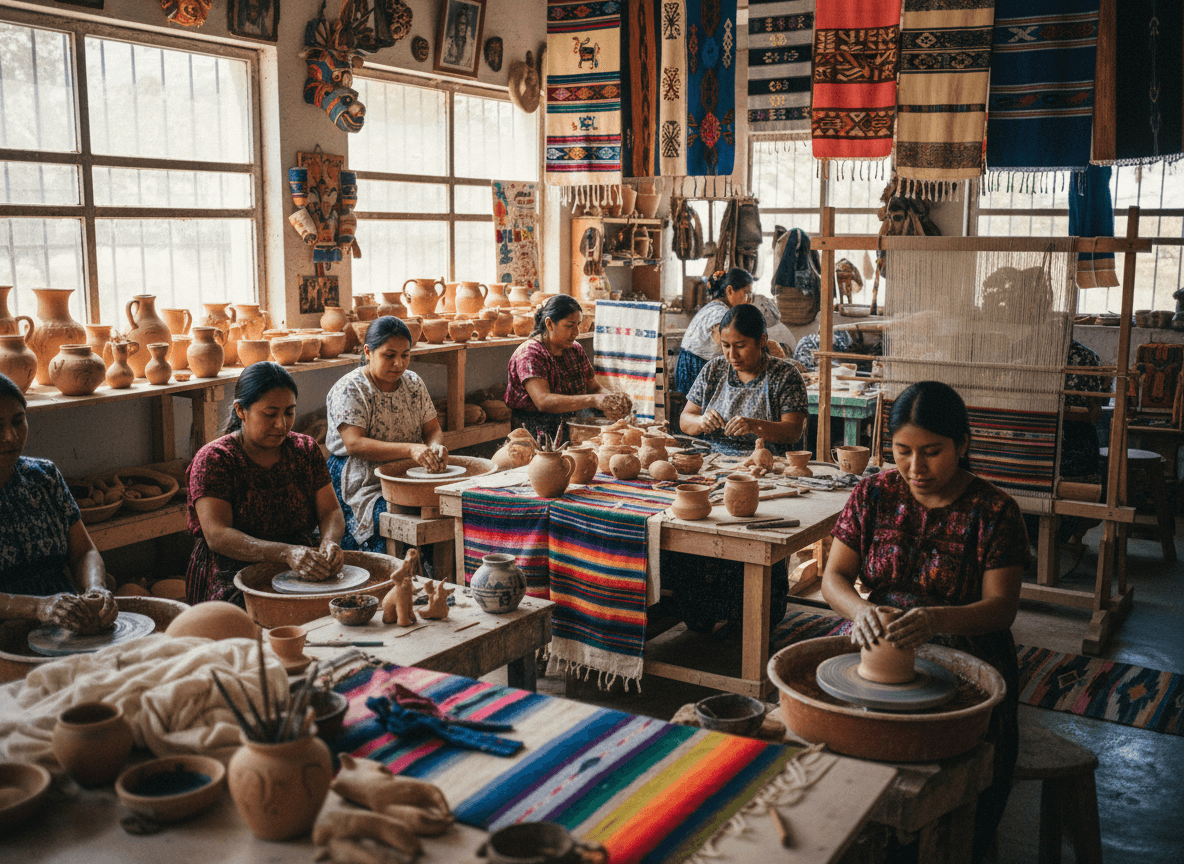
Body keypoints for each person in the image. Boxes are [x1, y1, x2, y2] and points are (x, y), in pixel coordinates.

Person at [821, 381, 1028, 863]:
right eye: (902, 451)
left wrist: (934, 620)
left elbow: (1002, 608)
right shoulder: (875, 492)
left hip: (967, 644)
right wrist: (861, 611)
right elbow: (835, 577)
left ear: (963, 444)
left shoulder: (995, 511)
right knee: (829, 732)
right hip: (878, 634)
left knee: (949, 769)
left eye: (932, 452)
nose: (915, 468)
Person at [186, 362, 345, 606]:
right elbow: (217, 536)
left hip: (300, 560)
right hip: (232, 568)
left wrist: (329, 543)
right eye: (270, 414)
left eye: (289, 412)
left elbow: (331, 511)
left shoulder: (305, 450)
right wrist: (285, 552)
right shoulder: (215, 460)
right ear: (241, 411)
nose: (281, 424)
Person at [0, 373, 116, 631]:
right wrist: (38, 607)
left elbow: (83, 551)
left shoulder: (44, 476)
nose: (10, 436)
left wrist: (96, 587)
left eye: (18, 422)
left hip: (61, 621)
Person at [327, 317, 446, 553]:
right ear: (368, 352)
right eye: (389, 355)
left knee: (443, 511)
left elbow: (432, 429)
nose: (398, 363)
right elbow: (354, 444)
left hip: (406, 475)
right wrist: (411, 449)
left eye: (405, 355)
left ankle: (434, 581)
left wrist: (435, 447)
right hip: (361, 480)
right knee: (397, 520)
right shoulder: (352, 388)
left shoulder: (414, 384)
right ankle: (395, 582)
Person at [679, 303, 808, 457]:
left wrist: (754, 426)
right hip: (715, 461)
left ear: (761, 341)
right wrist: (701, 421)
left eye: (740, 346)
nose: (732, 354)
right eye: (726, 345)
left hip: (768, 464)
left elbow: (793, 431)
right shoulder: (713, 369)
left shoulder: (786, 375)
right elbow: (685, 419)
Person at [504, 294, 626, 443]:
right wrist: (593, 400)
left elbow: (594, 388)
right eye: (569, 326)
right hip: (534, 431)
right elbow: (543, 401)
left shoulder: (575, 349)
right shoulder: (530, 353)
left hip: (570, 424)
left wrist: (613, 400)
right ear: (549, 324)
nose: (576, 333)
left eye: (578, 325)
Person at [673, 268, 754, 395]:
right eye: (746, 293)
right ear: (730, 291)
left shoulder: (713, 308)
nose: (749, 300)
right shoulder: (719, 311)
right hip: (696, 369)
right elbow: (720, 338)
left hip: (692, 364)